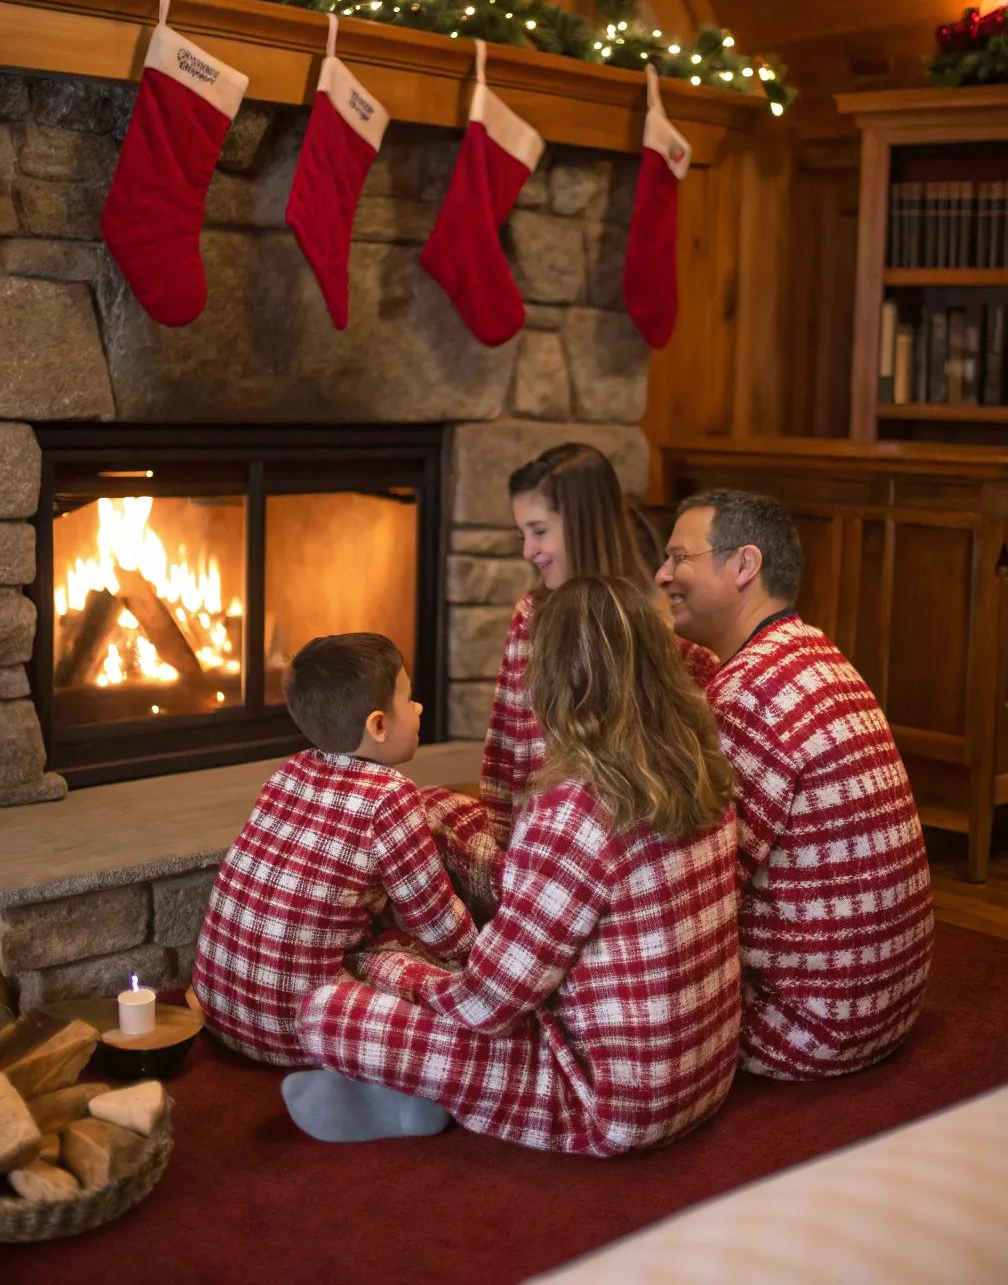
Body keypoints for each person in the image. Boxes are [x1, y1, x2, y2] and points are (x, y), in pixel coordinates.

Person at [283, 576, 740, 1155]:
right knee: (435, 806)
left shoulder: (574, 808)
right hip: (705, 1077)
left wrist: (389, 964)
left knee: (324, 1012)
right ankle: (402, 1097)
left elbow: (488, 1006)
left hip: (605, 1101)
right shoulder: (704, 767)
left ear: (551, 679)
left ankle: (407, 1093)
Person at [654, 488, 934, 1080]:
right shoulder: (812, 654)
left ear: (743, 565)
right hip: (886, 1001)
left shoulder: (749, 692)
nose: (662, 575)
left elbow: (700, 884)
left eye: (680, 558)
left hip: (807, 1025)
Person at [192, 633, 476, 1066]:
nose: (419, 709)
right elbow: (433, 919)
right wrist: (480, 956)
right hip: (306, 1029)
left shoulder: (290, 771)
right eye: (410, 699)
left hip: (218, 1009)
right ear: (378, 726)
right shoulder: (390, 796)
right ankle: (375, 1082)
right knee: (434, 978)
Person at [480, 442, 655, 847]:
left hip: (622, 841)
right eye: (522, 533)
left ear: (583, 522)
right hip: (540, 837)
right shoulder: (532, 616)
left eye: (539, 531)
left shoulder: (647, 620)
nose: (528, 551)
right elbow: (507, 748)